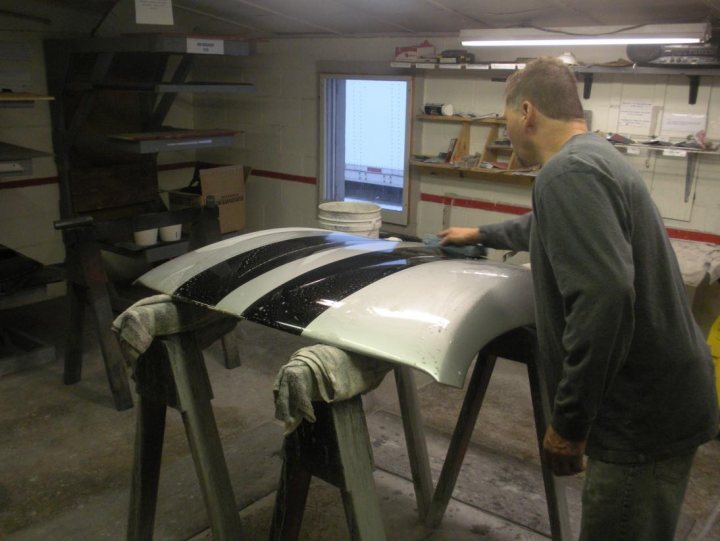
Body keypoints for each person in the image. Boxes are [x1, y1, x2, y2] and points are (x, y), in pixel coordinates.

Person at [439, 57, 718, 541]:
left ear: (526, 111)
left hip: (639, 415)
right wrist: (480, 232)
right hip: (666, 397)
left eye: (505, 118)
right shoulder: (592, 157)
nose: (507, 132)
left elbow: (605, 296)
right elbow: (548, 226)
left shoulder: (567, 174)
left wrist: (567, 422)